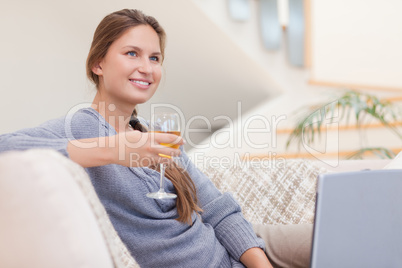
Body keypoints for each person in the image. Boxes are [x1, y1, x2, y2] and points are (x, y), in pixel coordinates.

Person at [0, 9, 312, 268]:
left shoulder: (151, 134)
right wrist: (112, 149)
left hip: (240, 246)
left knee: (343, 237)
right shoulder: (80, 127)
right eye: (132, 53)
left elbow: (216, 209)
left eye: (155, 58)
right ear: (98, 64)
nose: (146, 68)